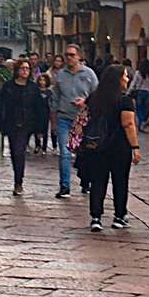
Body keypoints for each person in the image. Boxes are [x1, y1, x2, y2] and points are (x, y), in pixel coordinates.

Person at [84, 64, 141, 232]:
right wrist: (135, 147)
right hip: (119, 147)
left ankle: (96, 217)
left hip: (97, 145)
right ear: (117, 79)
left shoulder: (94, 97)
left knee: (98, 181)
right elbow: (128, 124)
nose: (127, 79)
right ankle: (119, 216)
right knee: (120, 181)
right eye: (124, 76)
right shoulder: (125, 100)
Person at [51, 44, 99, 198]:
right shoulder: (61, 75)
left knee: (86, 153)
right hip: (64, 118)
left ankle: (86, 181)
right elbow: (55, 99)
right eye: (67, 55)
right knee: (64, 153)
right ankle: (64, 186)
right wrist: (53, 121)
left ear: (79, 56)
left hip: (83, 120)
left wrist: (85, 102)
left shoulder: (89, 74)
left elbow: (97, 96)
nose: (69, 57)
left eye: (72, 55)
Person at [0, 60, 47, 196]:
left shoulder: (33, 87)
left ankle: (18, 182)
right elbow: (1, 106)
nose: (25, 71)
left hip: (27, 123)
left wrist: (41, 128)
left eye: (27, 69)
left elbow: (39, 108)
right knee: (14, 151)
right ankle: (18, 177)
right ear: (17, 70)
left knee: (19, 150)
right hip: (11, 123)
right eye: (22, 68)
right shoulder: (8, 86)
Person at [130, 59, 149, 131]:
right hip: (148, 92)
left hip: (140, 92)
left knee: (139, 108)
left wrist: (129, 91)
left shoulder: (138, 73)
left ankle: (142, 121)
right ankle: (145, 118)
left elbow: (133, 83)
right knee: (145, 107)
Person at [34, 73, 53, 154]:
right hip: (36, 112)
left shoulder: (49, 92)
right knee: (36, 129)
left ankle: (44, 147)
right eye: (40, 80)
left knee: (45, 129)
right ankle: (37, 145)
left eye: (44, 80)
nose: (42, 82)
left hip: (45, 113)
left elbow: (51, 103)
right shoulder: (35, 91)